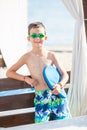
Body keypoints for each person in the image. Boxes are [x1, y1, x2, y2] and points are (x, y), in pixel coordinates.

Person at [6, 22, 71, 123]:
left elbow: (65, 74)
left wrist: (60, 85)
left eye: (40, 35)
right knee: (40, 126)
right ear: (29, 38)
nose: (37, 38)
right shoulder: (27, 57)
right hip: (41, 97)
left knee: (65, 124)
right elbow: (9, 72)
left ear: (46, 37)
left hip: (57, 95)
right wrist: (26, 78)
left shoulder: (51, 55)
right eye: (34, 35)